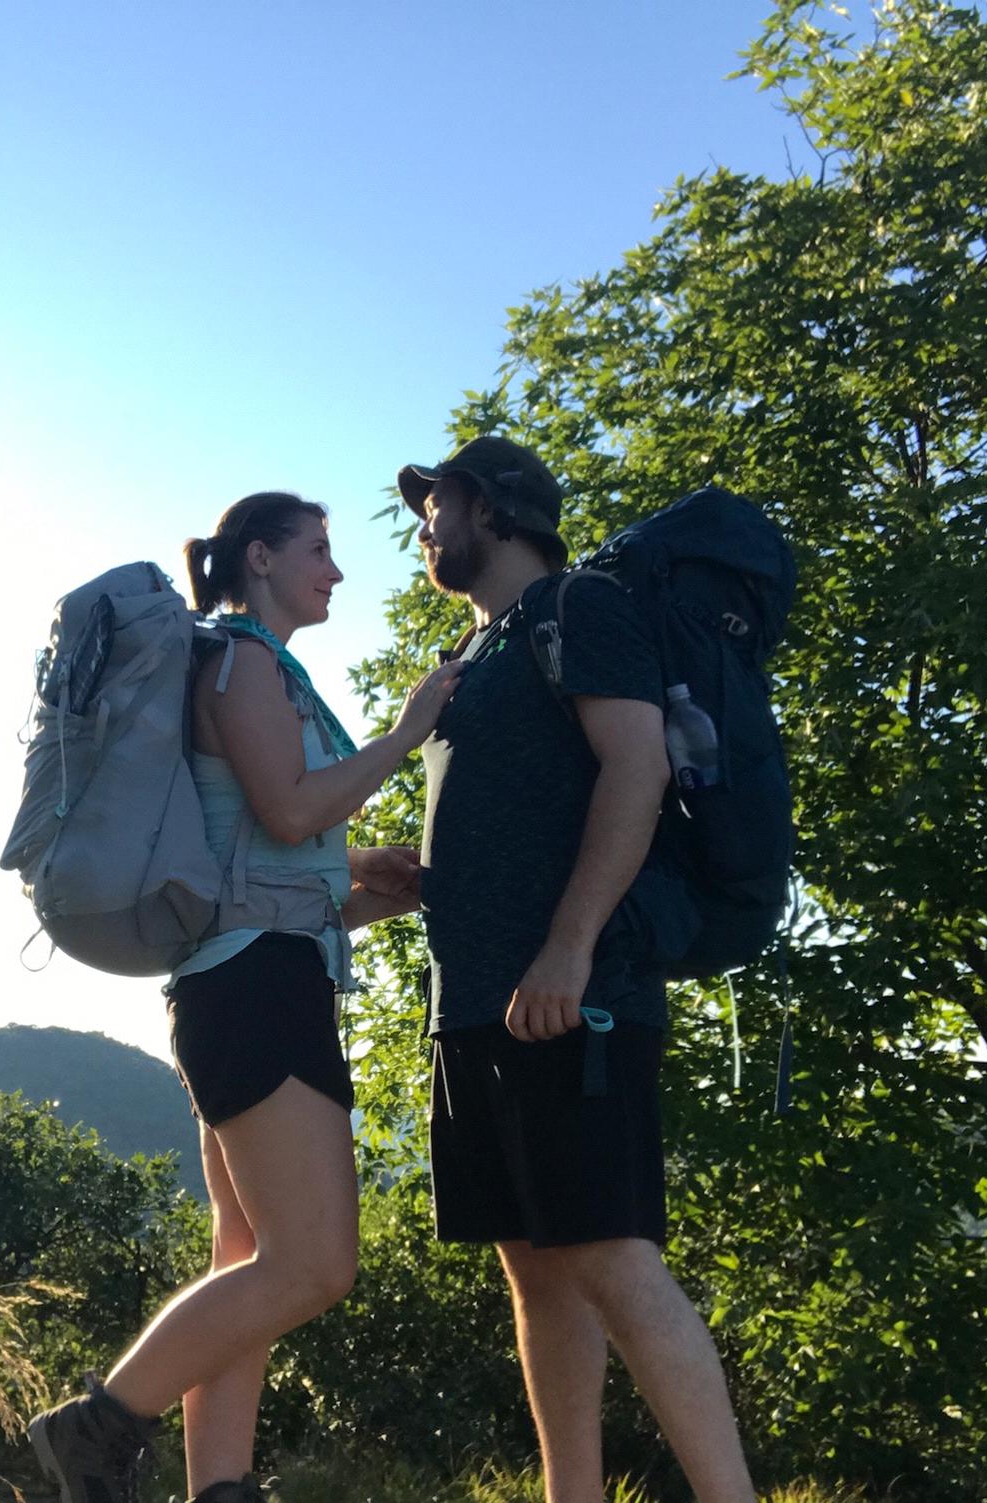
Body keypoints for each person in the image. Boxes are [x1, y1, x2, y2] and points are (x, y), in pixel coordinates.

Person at [26, 492, 464, 1503]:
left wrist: (372, 892)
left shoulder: (245, 664)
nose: (335, 572)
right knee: (313, 1265)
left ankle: (217, 1490)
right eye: (318, 551)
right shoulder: (242, 660)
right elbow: (292, 806)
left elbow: (270, 867)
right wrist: (407, 731)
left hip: (245, 977)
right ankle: (95, 1429)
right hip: (255, 994)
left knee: (247, 1261)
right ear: (257, 558)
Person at [398, 436, 756, 1503]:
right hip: (476, 1004)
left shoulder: (576, 610)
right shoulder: (481, 651)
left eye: (438, 503)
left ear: (495, 511)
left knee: (608, 1253)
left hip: (572, 994)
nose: (425, 525)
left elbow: (635, 768)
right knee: (535, 1266)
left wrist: (568, 947)